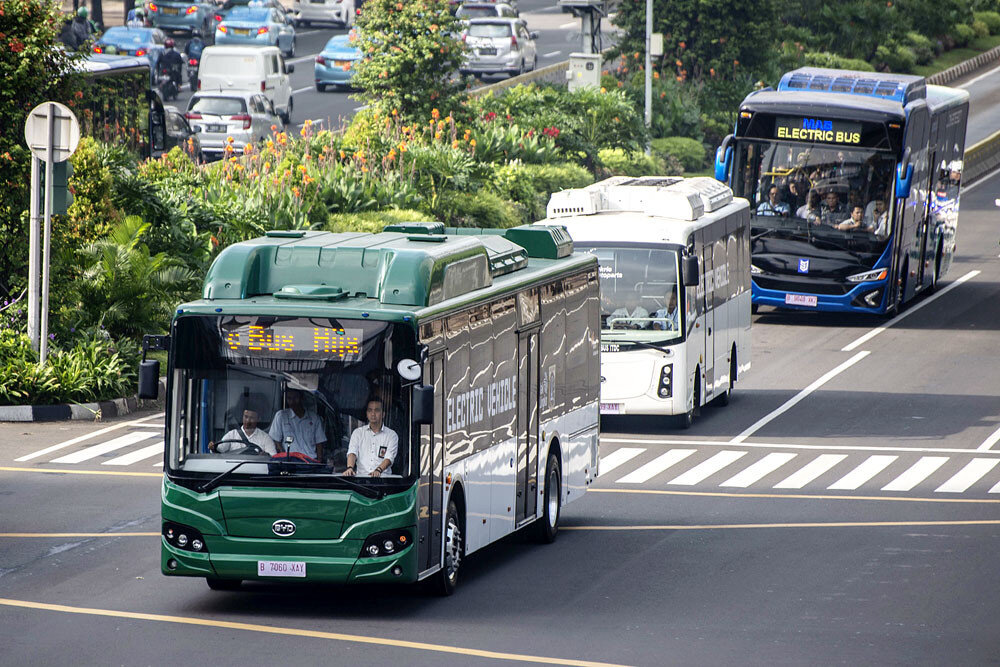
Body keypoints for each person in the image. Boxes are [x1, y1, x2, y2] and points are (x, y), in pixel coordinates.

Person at [344, 398, 398, 477]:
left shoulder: (392, 435)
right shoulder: (358, 433)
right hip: (361, 479)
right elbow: (352, 452)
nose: (373, 414)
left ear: (383, 414)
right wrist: (350, 468)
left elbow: (389, 458)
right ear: (366, 414)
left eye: (377, 410)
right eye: (370, 410)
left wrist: (378, 470)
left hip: (383, 480)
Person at [269, 388, 327, 461]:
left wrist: (319, 462)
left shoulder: (314, 418)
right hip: (290, 461)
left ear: (302, 398)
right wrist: (283, 456)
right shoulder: (281, 416)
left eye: (295, 398)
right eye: (289, 398)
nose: (292, 401)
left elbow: (319, 443)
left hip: (310, 460)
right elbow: (276, 440)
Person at [210, 409, 277, 454]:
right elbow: (219, 451)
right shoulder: (231, 434)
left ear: (258, 419)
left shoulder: (265, 438)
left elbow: (273, 458)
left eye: (252, 418)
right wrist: (213, 448)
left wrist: (265, 456)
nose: (248, 420)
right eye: (246, 417)